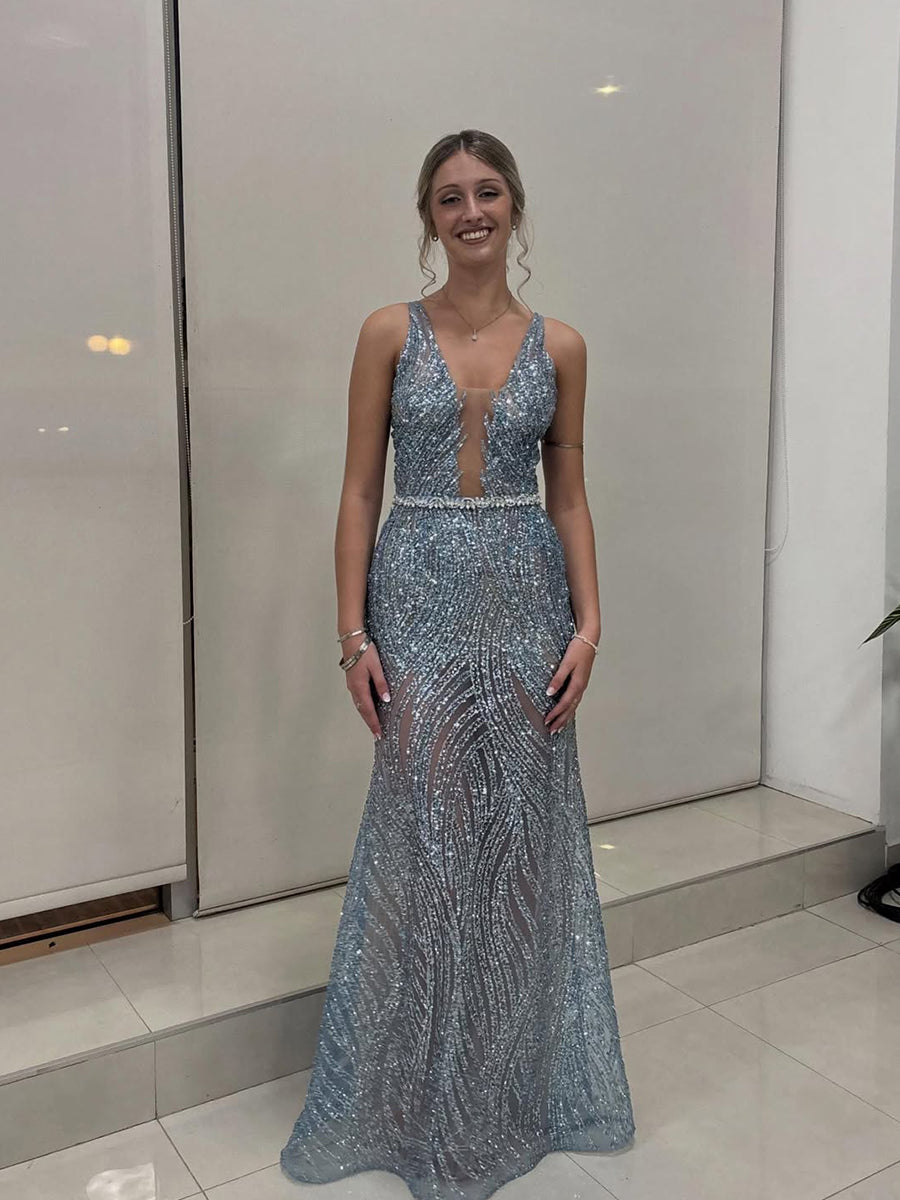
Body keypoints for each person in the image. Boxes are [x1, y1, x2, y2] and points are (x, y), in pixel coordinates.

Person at [281, 129, 635, 1200]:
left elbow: (569, 495)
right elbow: (359, 491)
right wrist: (354, 635)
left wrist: (588, 626)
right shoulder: (388, 331)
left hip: (526, 598)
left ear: (514, 205)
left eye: (487, 192)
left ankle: (502, 1085)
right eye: (449, 196)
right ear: (429, 217)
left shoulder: (562, 346)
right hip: (419, 592)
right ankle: (412, 1093)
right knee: (428, 842)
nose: (470, 211)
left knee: (518, 852)